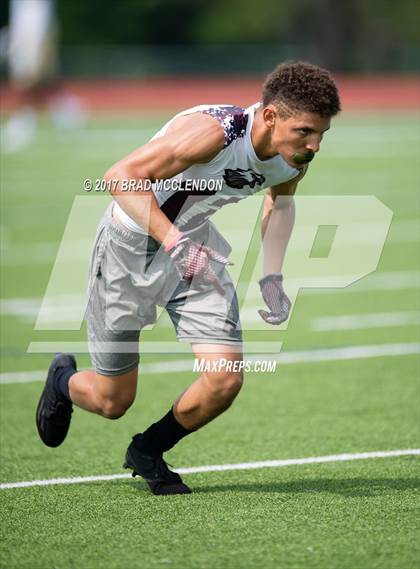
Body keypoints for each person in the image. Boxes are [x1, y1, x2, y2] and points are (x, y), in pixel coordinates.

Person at [36, 62, 341, 495]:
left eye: (322, 135)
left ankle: (149, 449)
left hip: (196, 249)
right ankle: (62, 382)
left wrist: (272, 276)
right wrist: (175, 242)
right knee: (112, 401)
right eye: (306, 132)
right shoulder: (216, 133)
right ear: (271, 117)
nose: (314, 146)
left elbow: (280, 205)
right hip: (130, 248)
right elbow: (119, 178)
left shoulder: (293, 160)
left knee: (226, 378)